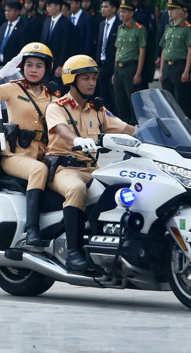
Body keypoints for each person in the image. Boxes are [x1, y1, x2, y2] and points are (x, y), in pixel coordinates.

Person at [44, 55, 136, 272]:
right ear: (72, 80)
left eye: (94, 78)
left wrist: (160, 135)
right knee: (76, 190)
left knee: (123, 186)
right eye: (85, 78)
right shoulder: (57, 107)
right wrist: (76, 140)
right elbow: (62, 131)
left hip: (91, 169)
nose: (92, 83)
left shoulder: (97, 109)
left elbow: (127, 129)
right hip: (64, 169)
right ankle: (73, 253)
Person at [0, 42, 55, 248]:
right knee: (38, 170)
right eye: (29, 65)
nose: (34, 70)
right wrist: (2, 74)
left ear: (46, 69)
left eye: (39, 65)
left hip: (44, 152)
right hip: (15, 156)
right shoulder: (12, 88)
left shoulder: (53, 96)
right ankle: (32, 229)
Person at [158, 0, 191, 120]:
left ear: (181, 11)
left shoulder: (187, 28)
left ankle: (186, 129)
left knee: (182, 101)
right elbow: (164, 49)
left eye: (173, 9)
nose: (170, 11)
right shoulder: (168, 28)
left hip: (179, 66)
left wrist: (188, 70)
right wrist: (161, 70)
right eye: (169, 9)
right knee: (168, 102)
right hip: (168, 67)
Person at [112, 0, 147, 123]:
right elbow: (117, 51)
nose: (122, 14)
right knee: (120, 100)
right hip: (119, 68)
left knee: (132, 100)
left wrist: (138, 73)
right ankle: (124, 125)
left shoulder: (139, 29)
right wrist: (114, 71)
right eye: (121, 11)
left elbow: (142, 51)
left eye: (125, 11)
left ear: (132, 13)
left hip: (131, 67)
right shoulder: (120, 28)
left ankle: (134, 125)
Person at [40, 0, 77, 86]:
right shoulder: (47, 21)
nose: (47, 8)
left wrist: (61, 65)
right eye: (47, 6)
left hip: (59, 64)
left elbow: (66, 46)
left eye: (50, 6)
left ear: (58, 7)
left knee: (58, 90)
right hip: (47, 63)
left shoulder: (66, 24)